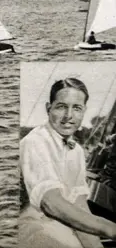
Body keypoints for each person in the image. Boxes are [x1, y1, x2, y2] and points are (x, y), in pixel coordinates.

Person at [20, 78, 116, 247]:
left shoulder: (76, 151)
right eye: (61, 106)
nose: (68, 116)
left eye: (76, 108)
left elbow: (79, 206)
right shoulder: (35, 142)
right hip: (34, 229)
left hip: (62, 229)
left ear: (84, 111)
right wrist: (108, 227)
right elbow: (50, 202)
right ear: (48, 109)